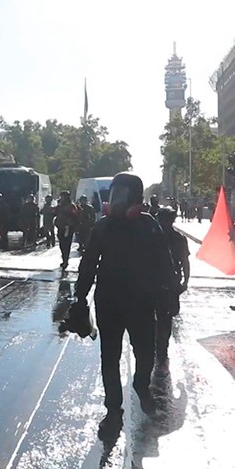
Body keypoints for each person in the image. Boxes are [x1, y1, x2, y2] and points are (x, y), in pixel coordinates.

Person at [73, 172, 177, 439]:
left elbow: (165, 263)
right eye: (114, 193)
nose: (116, 199)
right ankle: (113, 409)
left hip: (142, 303)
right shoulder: (103, 226)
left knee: (145, 353)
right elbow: (88, 264)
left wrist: (171, 294)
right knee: (110, 357)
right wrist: (80, 296)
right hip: (109, 302)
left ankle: (141, 385)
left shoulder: (149, 225)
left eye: (121, 193)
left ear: (135, 198)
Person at [155, 206, 190, 362]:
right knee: (161, 317)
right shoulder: (152, 237)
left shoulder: (178, 238)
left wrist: (186, 280)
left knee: (165, 316)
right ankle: (159, 347)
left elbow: (184, 261)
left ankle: (161, 347)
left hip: (169, 281)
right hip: (157, 281)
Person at [54, 191, 79, 270]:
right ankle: (64, 258)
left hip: (68, 228)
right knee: (62, 245)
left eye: (63, 196)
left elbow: (75, 216)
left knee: (66, 245)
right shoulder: (60, 206)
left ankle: (66, 260)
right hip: (60, 227)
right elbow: (55, 213)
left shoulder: (71, 206)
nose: (62, 198)